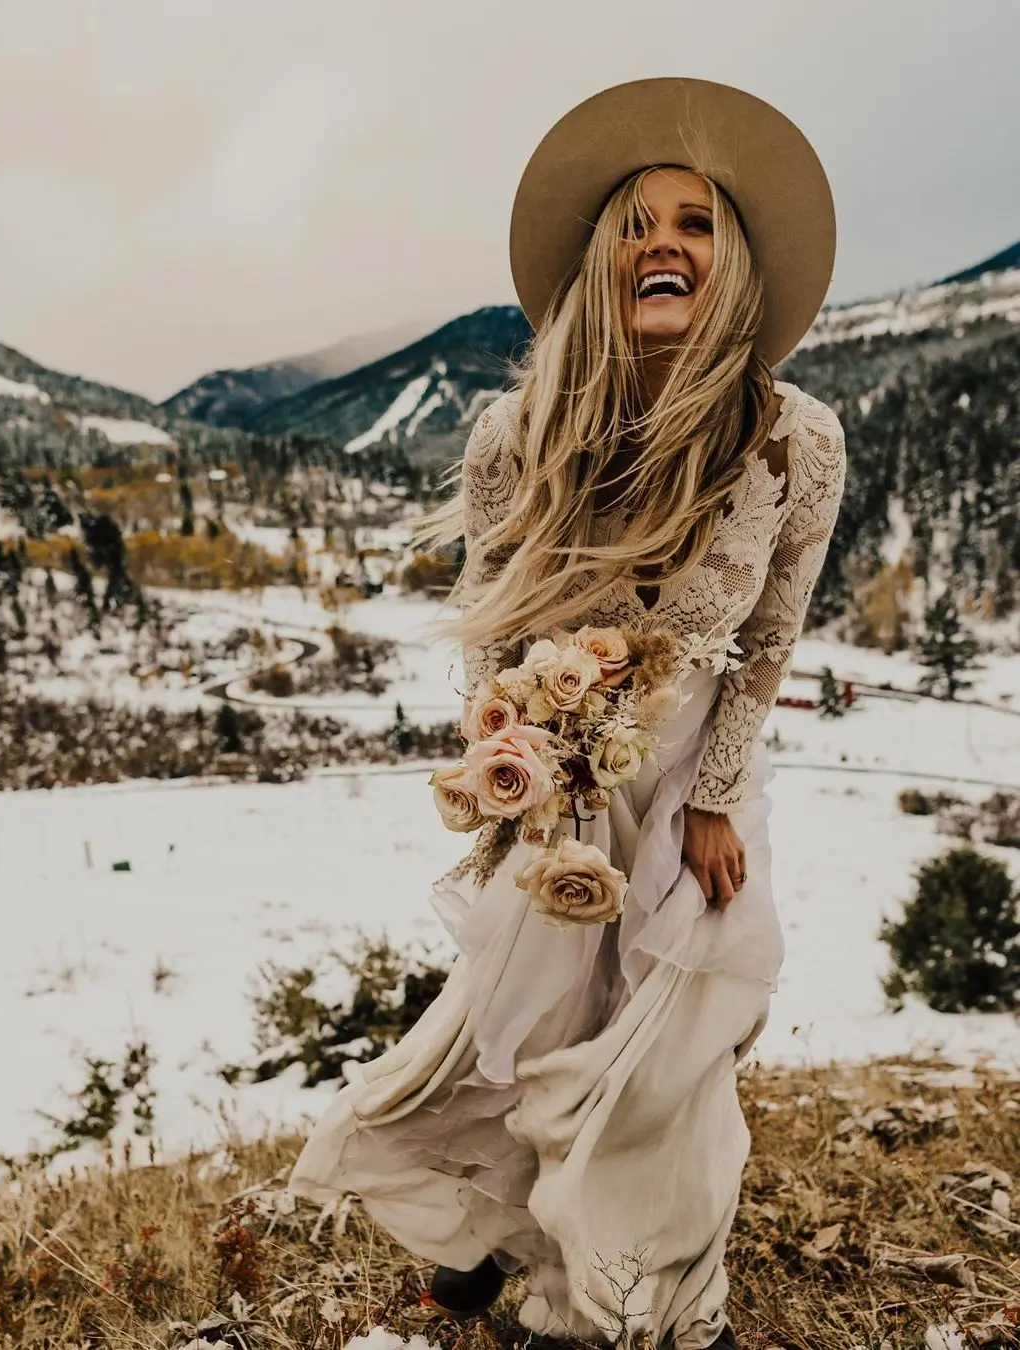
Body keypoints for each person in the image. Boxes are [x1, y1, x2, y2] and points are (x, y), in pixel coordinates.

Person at [289, 76, 847, 1348]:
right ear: (605, 263)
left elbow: (767, 637)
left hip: (695, 766)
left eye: (696, 222)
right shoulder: (517, 430)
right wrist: (505, 767)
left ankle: (637, 1290)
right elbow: (490, 620)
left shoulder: (795, 439)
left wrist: (713, 798)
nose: (666, 242)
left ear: (734, 261)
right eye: (638, 224)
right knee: (529, 1016)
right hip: (555, 776)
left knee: (670, 1035)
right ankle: (489, 1229)